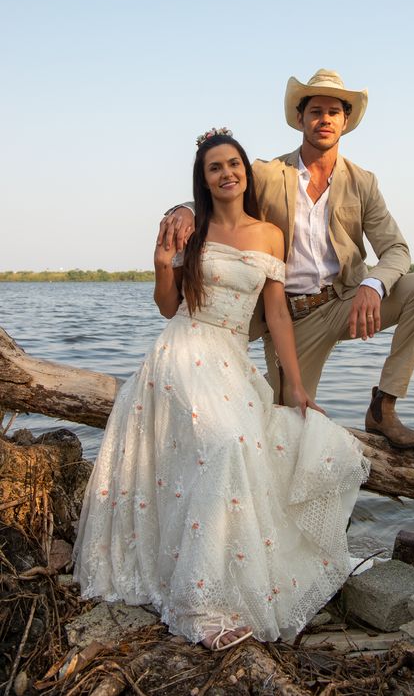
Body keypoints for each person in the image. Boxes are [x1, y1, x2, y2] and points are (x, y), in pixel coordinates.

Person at [73, 130, 369, 651]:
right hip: (183, 350)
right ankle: (200, 601)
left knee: (264, 446)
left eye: (234, 164)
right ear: (203, 179)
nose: (227, 173)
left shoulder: (271, 234)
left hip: (233, 356)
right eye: (215, 167)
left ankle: (234, 577)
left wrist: (294, 386)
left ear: (245, 173)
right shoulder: (192, 228)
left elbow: (275, 311)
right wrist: (164, 266)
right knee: (223, 446)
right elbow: (168, 306)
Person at [161, 70, 414, 449]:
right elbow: (223, 190)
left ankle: (384, 407)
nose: (324, 119)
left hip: (345, 302)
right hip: (287, 317)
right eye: (315, 111)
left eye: (333, 112)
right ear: (300, 119)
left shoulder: (363, 182)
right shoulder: (268, 174)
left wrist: (373, 285)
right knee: (288, 426)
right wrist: (185, 209)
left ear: (345, 121)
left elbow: (397, 250)